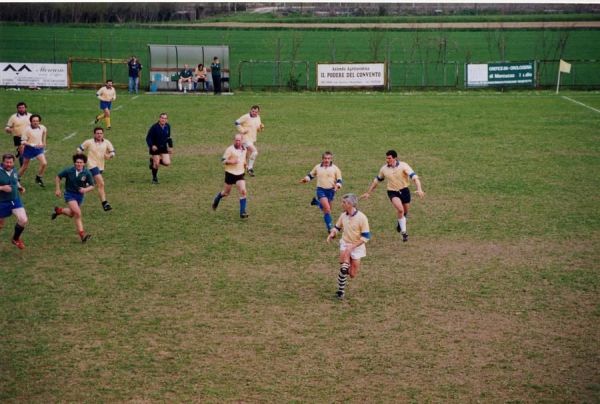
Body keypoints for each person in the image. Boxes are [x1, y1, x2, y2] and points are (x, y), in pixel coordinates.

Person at [361, 149, 425, 242]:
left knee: (405, 212)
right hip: (392, 192)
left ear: (395, 158)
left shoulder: (404, 166)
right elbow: (376, 181)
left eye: (389, 158)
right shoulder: (384, 169)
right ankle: (404, 233)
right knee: (400, 209)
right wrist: (368, 192)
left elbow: (415, 178)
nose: (387, 160)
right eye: (386, 158)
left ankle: (400, 223)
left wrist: (419, 189)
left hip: (404, 190)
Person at [326, 193, 370, 300]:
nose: (342, 204)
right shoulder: (343, 215)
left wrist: (353, 246)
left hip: (357, 246)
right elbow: (337, 227)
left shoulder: (362, 218)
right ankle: (341, 292)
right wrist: (332, 234)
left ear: (350, 204)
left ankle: (347, 266)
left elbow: (366, 237)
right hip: (345, 243)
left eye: (344, 202)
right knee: (344, 267)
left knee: (352, 274)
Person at [51, 154, 95, 243]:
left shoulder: (87, 173)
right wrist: (58, 189)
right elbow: (58, 177)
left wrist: (85, 189)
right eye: (77, 162)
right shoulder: (69, 170)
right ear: (75, 163)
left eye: (81, 162)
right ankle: (82, 235)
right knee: (78, 213)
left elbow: (92, 185)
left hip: (80, 196)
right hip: (69, 194)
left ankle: (59, 210)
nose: (78, 164)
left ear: (84, 164)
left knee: (71, 213)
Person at [299, 151, 343, 233]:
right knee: (327, 209)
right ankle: (330, 228)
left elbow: (340, 180)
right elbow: (311, 175)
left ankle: (316, 202)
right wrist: (305, 179)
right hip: (320, 190)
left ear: (331, 159)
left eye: (328, 158)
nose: (327, 160)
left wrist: (337, 186)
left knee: (328, 210)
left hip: (331, 191)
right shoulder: (317, 167)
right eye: (325, 158)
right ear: (322, 159)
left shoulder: (335, 168)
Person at [76, 127, 116, 211]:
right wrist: (81, 159)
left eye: (101, 133)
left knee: (91, 185)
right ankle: (105, 203)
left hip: (100, 167)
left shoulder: (106, 142)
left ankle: (77, 192)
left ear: (103, 134)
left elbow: (113, 152)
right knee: (101, 183)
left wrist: (109, 156)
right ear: (94, 134)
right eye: (97, 133)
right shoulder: (89, 142)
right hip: (91, 165)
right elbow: (79, 149)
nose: (99, 135)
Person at [211, 134, 248, 219]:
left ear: (242, 141)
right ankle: (217, 198)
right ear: (234, 140)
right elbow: (223, 160)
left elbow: (243, 160)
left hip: (240, 174)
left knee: (243, 191)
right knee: (226, 193)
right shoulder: (230, 149)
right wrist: (231, 161)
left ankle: (242, 212)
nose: (237, 142)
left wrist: (246, 166)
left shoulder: (244, 149)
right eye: (236, 140)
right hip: (230, 174)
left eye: (239, 140)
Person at [0, 154, 28, 249]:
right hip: (2, 202)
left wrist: (19, 187)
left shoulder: (14, 170)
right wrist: (2, 188)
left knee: (23, 219)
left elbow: (15, 180)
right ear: (3, 162)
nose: (8, 164)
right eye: (6, 162)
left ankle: (15, 239)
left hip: (15, 200)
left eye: (10, 162)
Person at [18, 114, 48, 187]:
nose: (35, 122)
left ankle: (38, 177)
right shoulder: (27, 130)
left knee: (44, 163)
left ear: (39, 121)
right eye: (34, 121)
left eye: (37, 121)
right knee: (25, 166)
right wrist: (32, 145)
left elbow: (45, 132)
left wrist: (44, 142)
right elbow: (23, 141)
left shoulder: (42, 127)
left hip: (38, 149)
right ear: (31, 121)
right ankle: (16, 179)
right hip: (29, 149)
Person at [235, 105, 264, 176]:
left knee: (246, 156)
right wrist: (242, 130)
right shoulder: (246, 116)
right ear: (250, 110)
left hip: (252, 139)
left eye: (256, 112)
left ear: (258, 112)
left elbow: (258, 128)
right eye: (253, 111)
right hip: (245, 138)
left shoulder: (258, 117)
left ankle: (241, 169)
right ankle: (250, 168)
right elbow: (236, 122)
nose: (254, 113)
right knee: (255, 152)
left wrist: (261, 128)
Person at [146, 113, 173, 184]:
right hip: (155, 148)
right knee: (157, 164)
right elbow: (148, 138)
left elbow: (169, 137)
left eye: (165, 118)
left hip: (163, 147)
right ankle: (154, 178)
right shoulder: (154, 127)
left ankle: (153, 160)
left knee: (167, 163)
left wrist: (170, 146)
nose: (163, 119)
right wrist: (152, 145)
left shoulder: (168, 126)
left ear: (167, 120)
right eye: (162, 118)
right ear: (159, 118)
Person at [5, 101, 31, 166]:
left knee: (27, 152)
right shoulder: (13, 117)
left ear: (26, 108)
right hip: (18, 137)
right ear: (17, 109)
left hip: (29, 137)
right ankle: (22, 167)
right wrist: (7, 129)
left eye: (23, 107)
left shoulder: (30, 116)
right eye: (20, 108)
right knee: (22, 152)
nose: (21, 109)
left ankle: (19, 153)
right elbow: (8, 126)